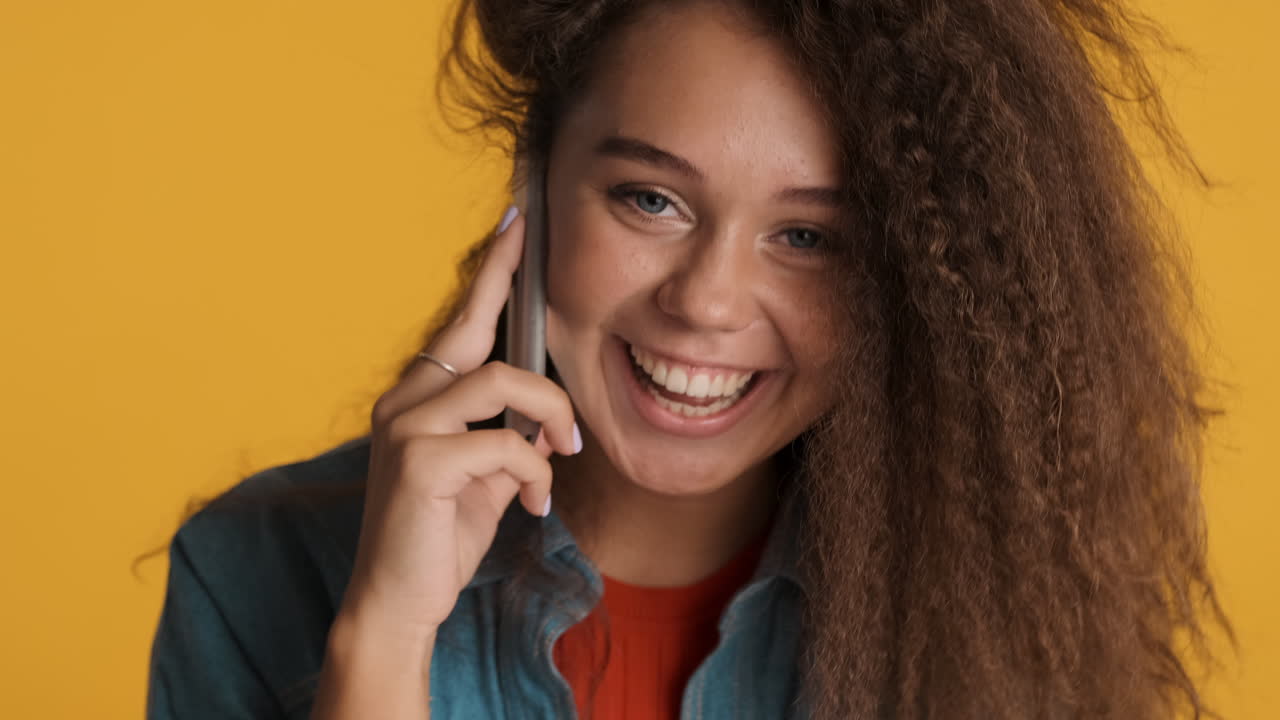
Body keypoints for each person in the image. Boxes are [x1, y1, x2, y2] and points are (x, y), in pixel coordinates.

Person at [146, 0, 1234, 718]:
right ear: (530, 185)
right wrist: (381, 644)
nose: (706, 301)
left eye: (808, 237)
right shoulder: (256, 577)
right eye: (650, 200)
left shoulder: (991, 613)